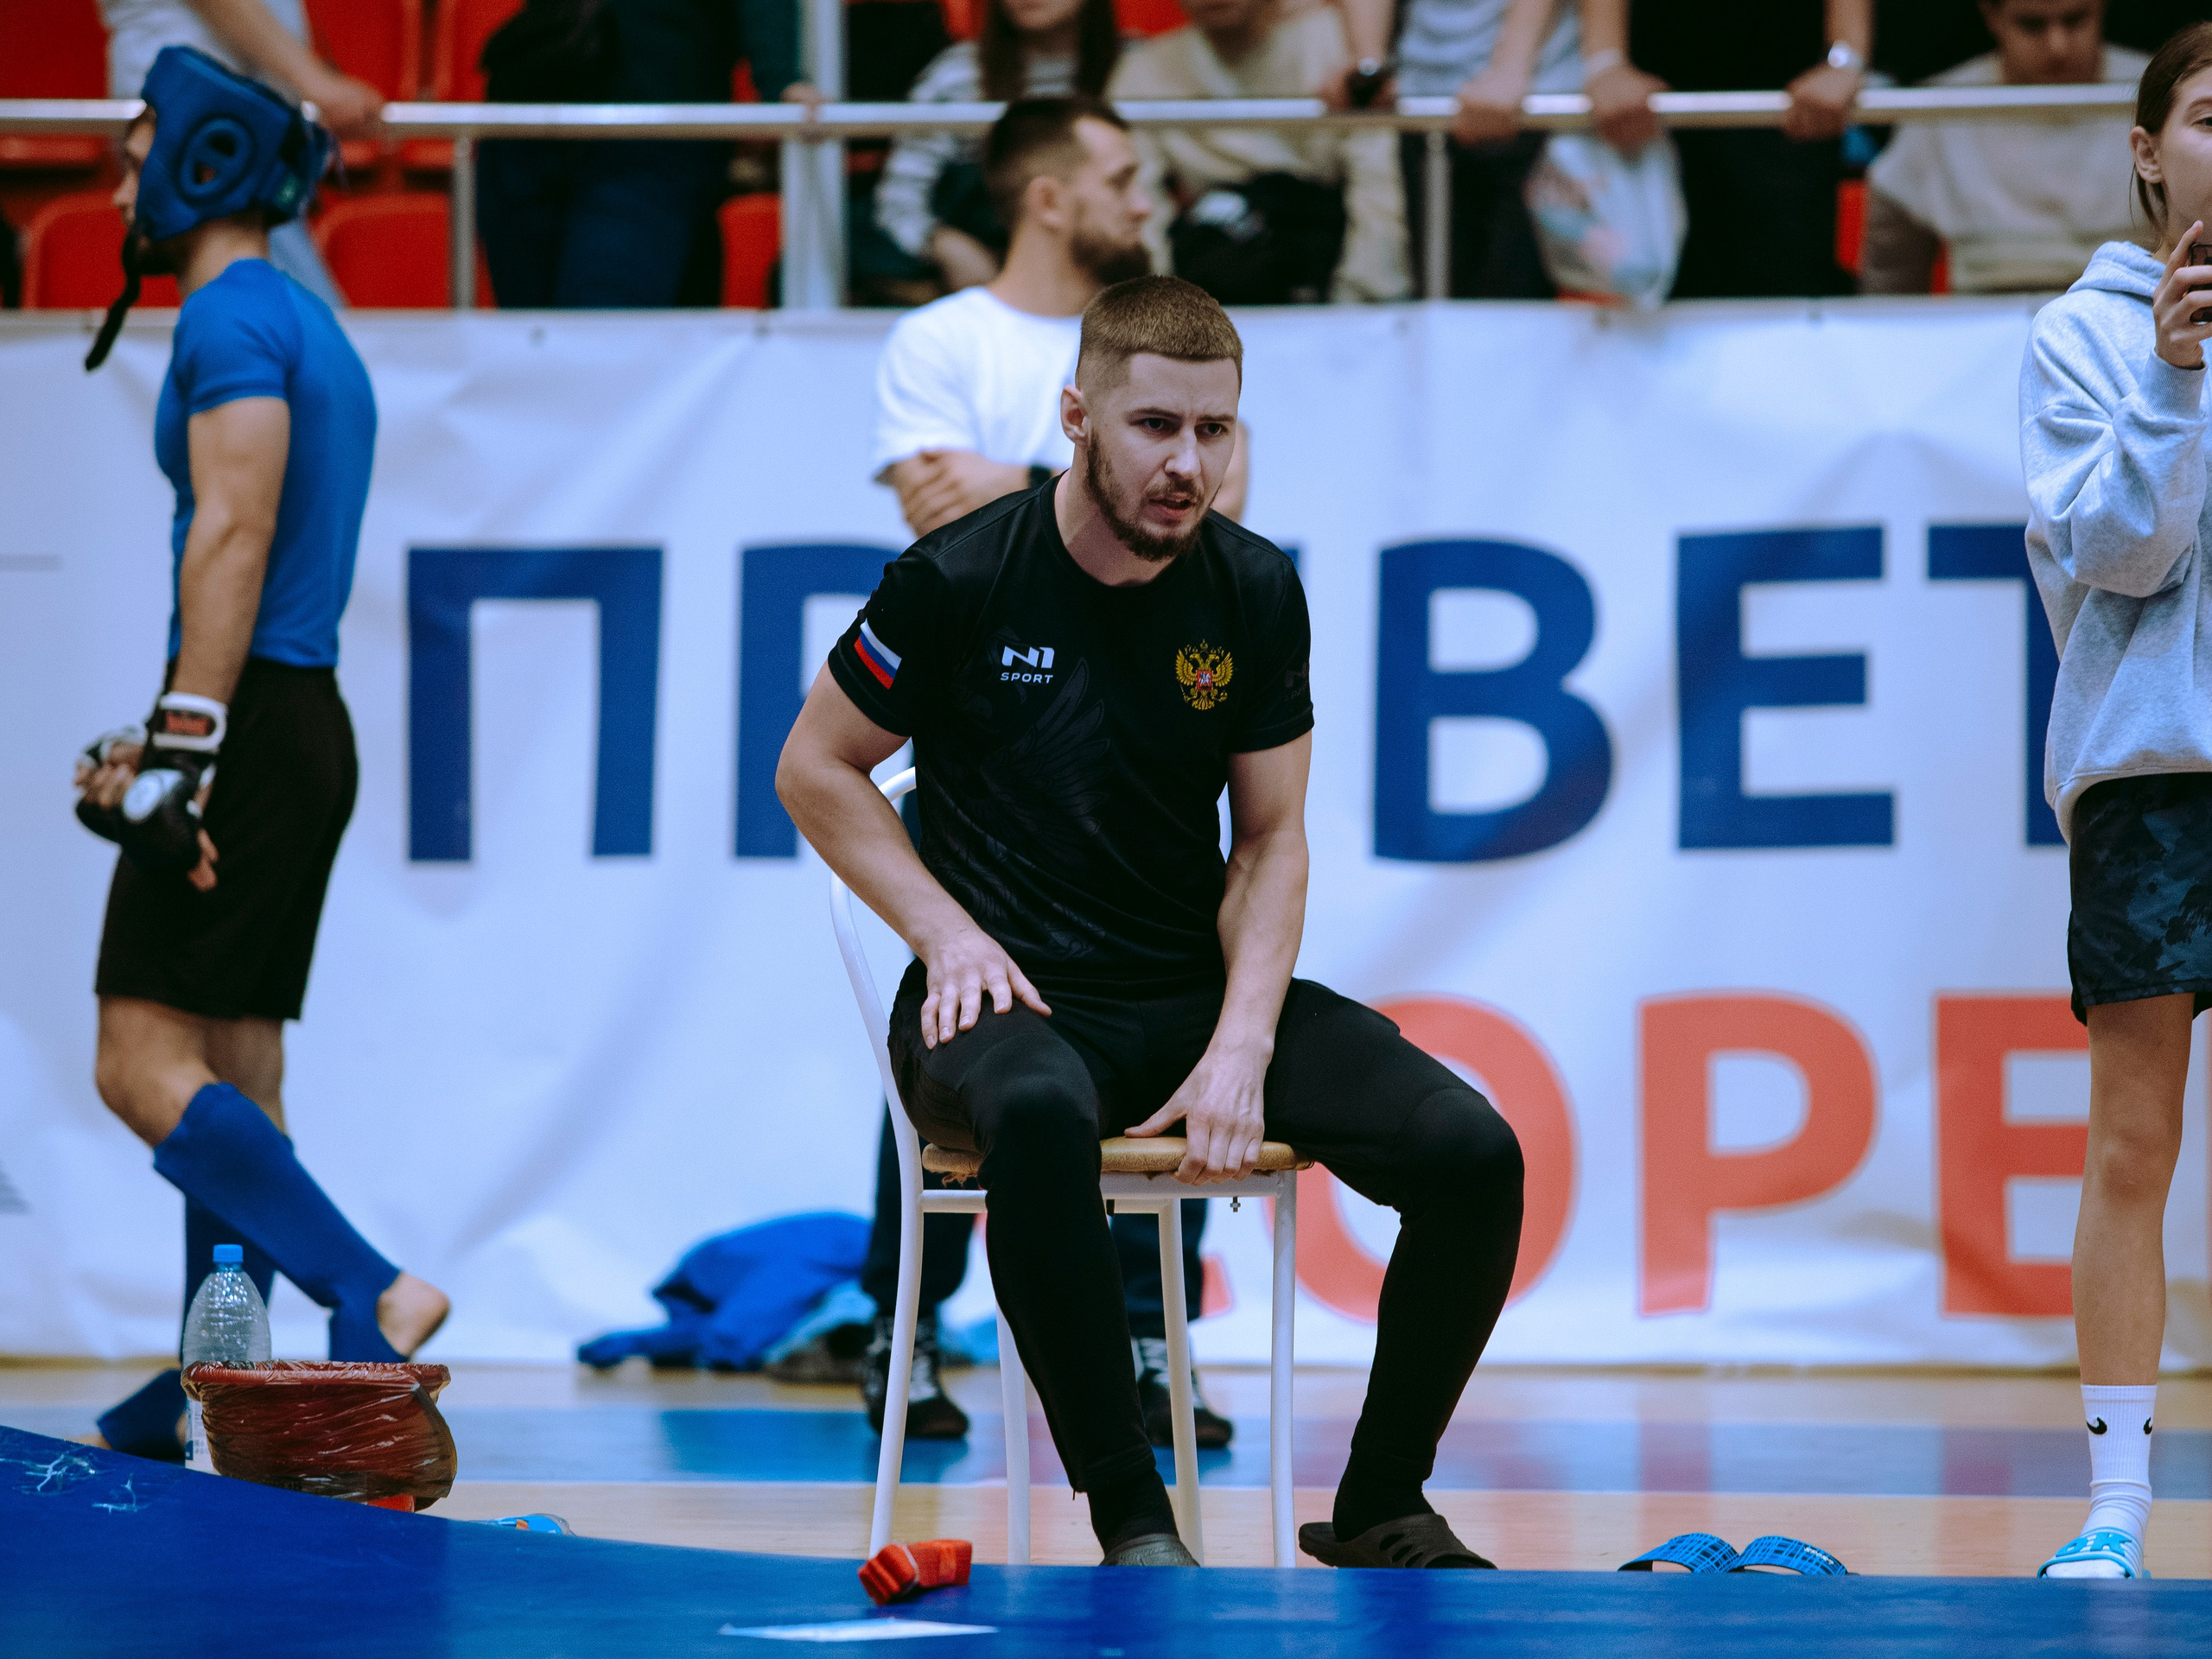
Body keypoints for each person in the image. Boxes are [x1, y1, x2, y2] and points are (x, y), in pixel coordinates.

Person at [780, 275, 1524, 1569]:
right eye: (1154, 428)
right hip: (1003, 1007)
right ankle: (1134, 1518)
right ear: (1077, 417)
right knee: (1045, 1112)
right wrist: (947, 937)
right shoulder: (957, 578)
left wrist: (1241, 1043)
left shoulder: (1252, 590)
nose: (1189, 465)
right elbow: (813, 767)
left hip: (1185, 993)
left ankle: (1382, 1503)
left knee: (1473, 1152)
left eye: (1215, 432)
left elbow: (1276, 839)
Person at [77, 46, 448, 1461]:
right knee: (233, 1071)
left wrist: (182, 743)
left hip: (252, 721)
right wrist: (178, 727)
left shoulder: (229, 321)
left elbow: (233, 531)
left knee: (135, 1058)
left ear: (203, 162)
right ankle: (208, 1379)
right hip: (296, 721)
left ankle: (372, 1289)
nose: (117, 172)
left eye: (137, 146)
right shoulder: (300, 315)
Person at [863, 97, 1241, 1449]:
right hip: (986, 717)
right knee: (962, 1000)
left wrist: (1032, 474)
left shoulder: (1162, 331)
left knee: (1163, 1004)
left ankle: (1158, 1343)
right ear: (1046, 195)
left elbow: (1215, 512)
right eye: (1123, 176)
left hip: (1136, 727)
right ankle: (900, 1331)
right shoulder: (943, 338)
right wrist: (1083, 486)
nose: (1147, 198)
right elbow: (932, 504)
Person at [2018, 22, 2212, 1581]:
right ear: (2149, 148)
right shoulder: (2078, 338)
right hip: (2155, 779)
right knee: (2132, 1143)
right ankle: (2117, 1508)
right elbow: (2124, 559)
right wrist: (2171, 373)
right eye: (2211, 116)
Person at [475, 0, 809, 308]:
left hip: (650, 132)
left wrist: (781, 77)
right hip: (533, 118)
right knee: (534, 344)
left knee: (599, 334)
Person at [1109, 0, 1410, 304]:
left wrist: (1359, 308)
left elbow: (1379, 192)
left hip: (1326, 275)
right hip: (1208, 280)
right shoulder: (1144, 72)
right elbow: (1138, 206)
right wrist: (1156, 315)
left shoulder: (1339, 55)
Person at [1580, 0, 1876, 298]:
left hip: (1795, 105)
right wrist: (1606, 63)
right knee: (1653, 301)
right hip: (1650, 108)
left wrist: (1844, 59)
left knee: (1790, 293)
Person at [98, 0, 377, 308]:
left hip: (215, 104)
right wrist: (314, 82)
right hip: (200, 105)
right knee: (259, 303)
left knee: (248, 300)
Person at [1860, 0, 2146, 296]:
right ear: (1992, 15)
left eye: (2074, 20)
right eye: (2032, 25)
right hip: (1986, 323)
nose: (2057, 46)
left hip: (2133, 317)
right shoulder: (1941, 108)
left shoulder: (2158, 94)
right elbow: (1890, 283)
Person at [1326, 0, 1575, 297]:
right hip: (1421, 100)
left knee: (1514, 304)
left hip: (1532, 103)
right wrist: (1367, 62)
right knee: (1444, 299)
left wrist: (1510, 67)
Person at [874, 0, 1122, 293]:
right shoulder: (959, 73)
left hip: (1109, 286)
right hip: (982, 281)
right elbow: (898, 199)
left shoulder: (1136, 67)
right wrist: (944, 244)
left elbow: (1152, 199)